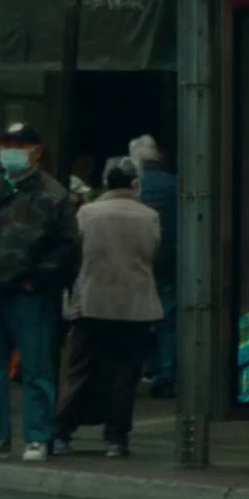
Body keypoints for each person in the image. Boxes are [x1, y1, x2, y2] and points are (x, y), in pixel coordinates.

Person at [0, 123, 79, 463]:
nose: (10, 150)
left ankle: (38, 437)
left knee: (36, 369)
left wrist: (38, 280)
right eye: (6, 143)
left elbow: (67, 247)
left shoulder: (51, 194)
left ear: (36, 151)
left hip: (28, 295)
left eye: (19, 144)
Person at [52, 157, 163, 458]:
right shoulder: (150, 216)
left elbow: (74, 256)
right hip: (136, 306)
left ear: (105, 181)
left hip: (93, 302)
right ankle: (116, 439)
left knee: (81, 370)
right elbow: (154, 254)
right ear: (135, 183)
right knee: (125, 374)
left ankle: (62, 432)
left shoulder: (87, 213)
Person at [129, 135, 178, 399]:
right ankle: (165, 376)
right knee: (167, 319)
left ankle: (132, 372)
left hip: (136, 261)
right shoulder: (176, 185)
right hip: (169, 259)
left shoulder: (134, 187)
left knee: (133, 318)